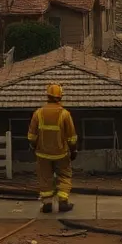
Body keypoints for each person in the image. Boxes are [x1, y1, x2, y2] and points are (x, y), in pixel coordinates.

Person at [27, 83, 78, 213]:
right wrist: (74, 150)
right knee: (64, 175)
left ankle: (47, 204)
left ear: (47, 96)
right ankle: (63, 203)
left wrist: (34, 147)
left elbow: (32, 137)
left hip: (42, 154)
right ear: (60, 97)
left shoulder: (38, 113)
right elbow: (71, 137)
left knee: (45, 177)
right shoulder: (65, 114)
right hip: (61, 153)